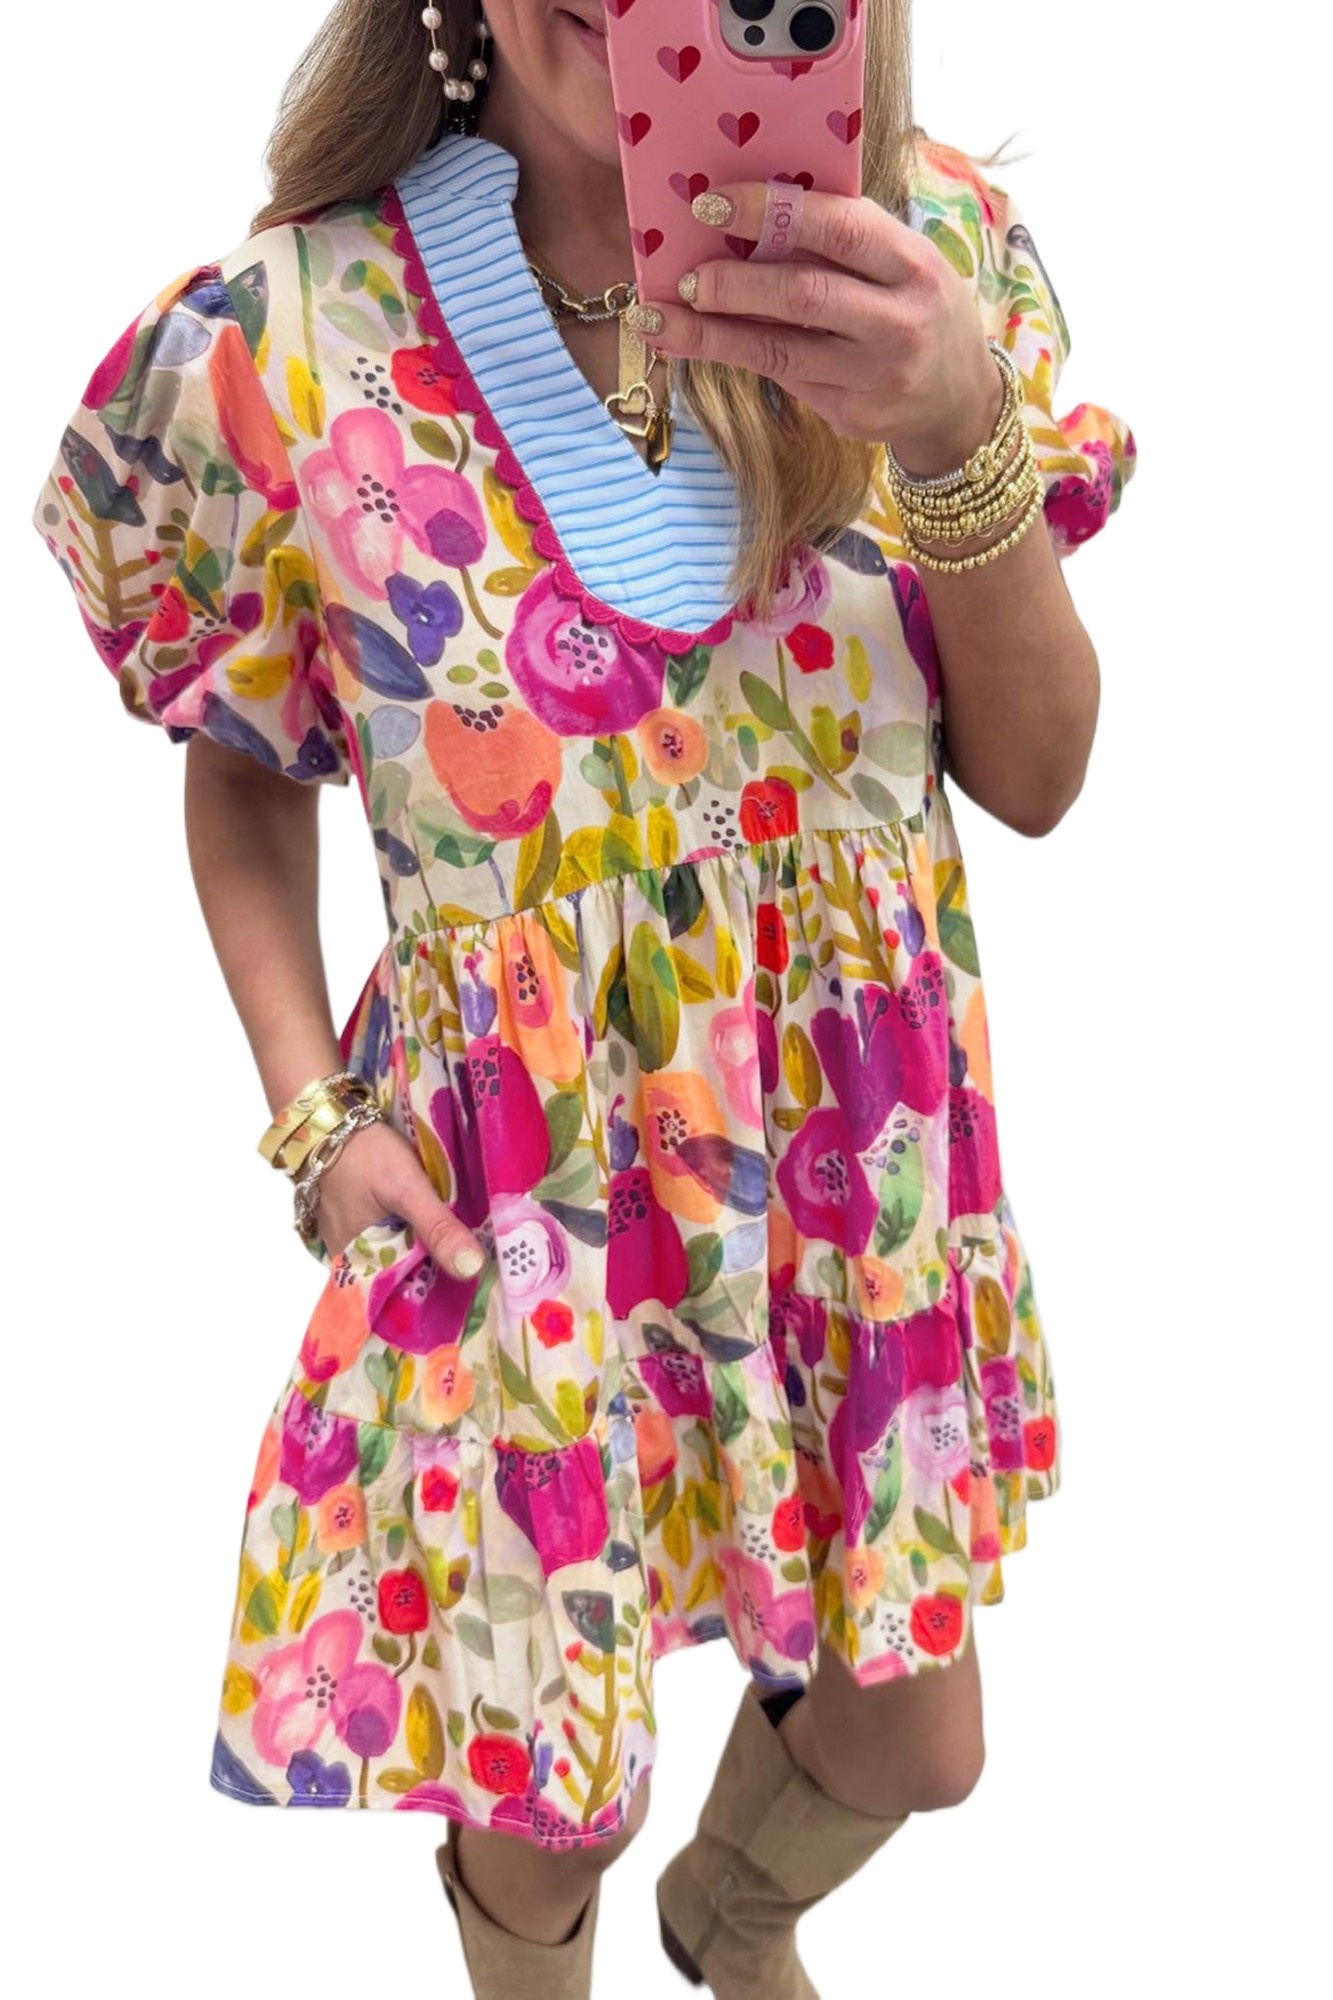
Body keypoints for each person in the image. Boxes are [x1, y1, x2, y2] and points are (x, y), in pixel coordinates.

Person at [31, 3, 1136, 1995]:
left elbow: (1040, 778)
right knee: (557, 1793)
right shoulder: (289, 338)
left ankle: (731, 1916)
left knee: (918, 1741)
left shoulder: (922, 264)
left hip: (844, 1184)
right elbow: (245, 764)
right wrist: (311, 1111)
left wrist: (951, 423)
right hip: (524, 1205)